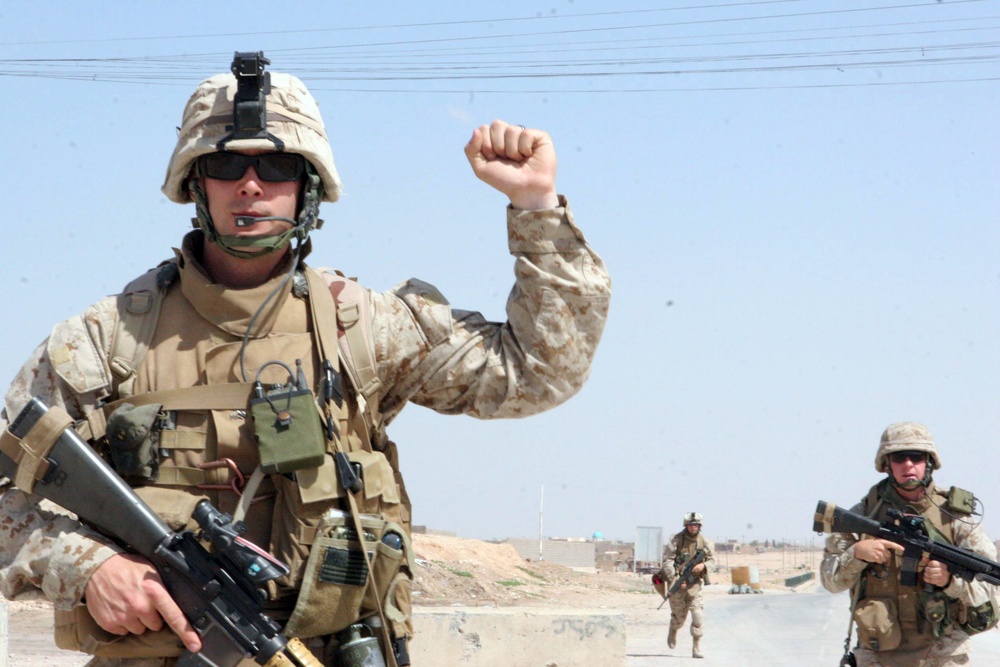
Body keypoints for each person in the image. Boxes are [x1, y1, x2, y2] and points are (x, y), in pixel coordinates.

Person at [0, 53, 610, 667]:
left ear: (310, 184)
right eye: (225, 164)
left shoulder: (365, 330)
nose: (251, 184)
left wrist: (537, 209)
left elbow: (537, 371)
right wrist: (87, 566)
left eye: (277, 164)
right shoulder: (105, 342)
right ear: (194, 183)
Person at [820, 422, 999, 667]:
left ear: (929, 462)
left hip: (942, 651)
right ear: (886, 464)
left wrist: (950, 581)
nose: (908, 465)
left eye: (916, 457)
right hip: (877, 653)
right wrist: (857, 554)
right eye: (898, 458)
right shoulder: (864, 515)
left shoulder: (956, 517)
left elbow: (989, 589)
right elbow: (830, 582)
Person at [658, 511, 713, 659]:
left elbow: (711, 560)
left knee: (697, 616)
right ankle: (673, 630)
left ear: (699, 526)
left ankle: (696, 647)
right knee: (679, 619)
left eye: (696, 524)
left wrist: (703, 566)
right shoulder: (677, 540)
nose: (693, 527)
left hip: (695, 585)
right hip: (678, 584)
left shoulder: (703, 542)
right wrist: (674, 579)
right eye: (691, 524)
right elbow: (667, 560)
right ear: (686, 526)